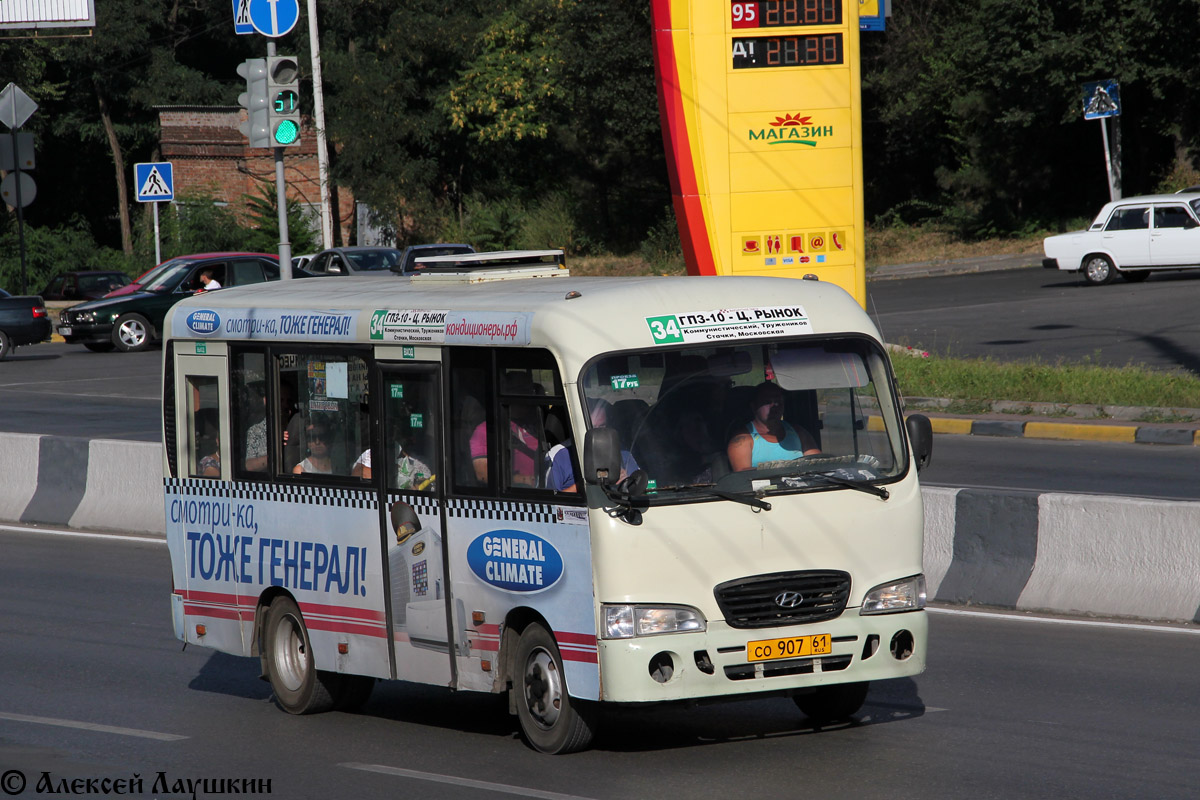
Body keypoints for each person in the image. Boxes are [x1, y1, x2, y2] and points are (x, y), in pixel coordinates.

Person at [547, 398, 639, 492]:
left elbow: (641, 490)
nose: (597, 433)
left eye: (602, 426)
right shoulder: (559, 455)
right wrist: (587, 485)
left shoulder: (622, 452)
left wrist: (626, 482)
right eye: (592, 427)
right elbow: (550, 502)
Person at [727, 381, 820, 471]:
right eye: (767, 402)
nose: (774, 405)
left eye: (778, 401)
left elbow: (818, 464)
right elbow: (742, 476)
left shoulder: (798, 432)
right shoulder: (742, 439)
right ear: (754, 406)